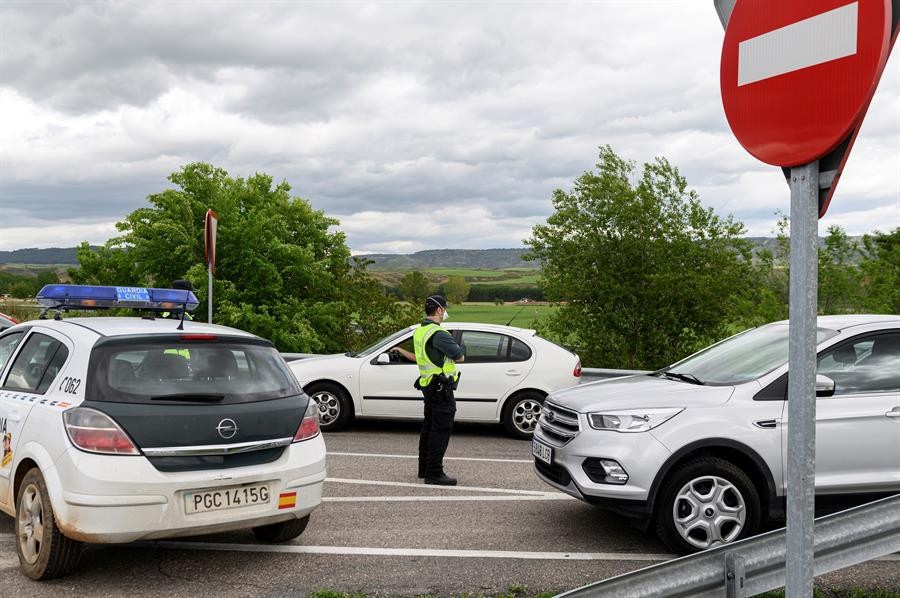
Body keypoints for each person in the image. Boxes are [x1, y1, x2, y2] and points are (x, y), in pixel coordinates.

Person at [393, 295, 465, 486]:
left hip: (428, 387)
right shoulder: (439, 334)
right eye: (445, 308)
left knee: (429, 428)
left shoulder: (420, 331)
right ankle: (434, 473)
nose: (446, 312)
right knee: (440, 430)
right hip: (441, 388)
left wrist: (400, 350)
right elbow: (459, 357)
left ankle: (424, 468)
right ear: (439, 310)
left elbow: (419, 358)